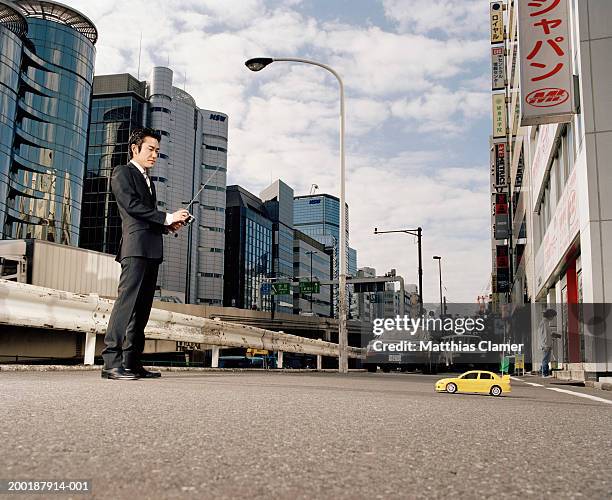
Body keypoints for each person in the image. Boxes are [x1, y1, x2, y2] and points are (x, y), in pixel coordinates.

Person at [101, 128, 191, 380]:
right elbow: (132, 207)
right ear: (135, 148)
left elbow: (146, 217)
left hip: (152, 249)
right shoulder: (123, 173)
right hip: (135, 249)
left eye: (157, 151)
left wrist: (167, 225)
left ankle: (131, 362)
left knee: (142, 309)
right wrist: (167, 216)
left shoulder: (148, 180)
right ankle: (111, 362)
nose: (154, 155)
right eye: (150, 149)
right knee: (126, 305)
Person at [538, 308, 557, 377]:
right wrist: (546, 345)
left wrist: (552, 335)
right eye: (553, 316)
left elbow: (546, 334)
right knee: (545, 359)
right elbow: (545, 335)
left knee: (546, 359)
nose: (553, 318)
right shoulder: (544, 323)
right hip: (545, 344)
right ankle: (545, 373)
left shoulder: (545, 323)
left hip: (546, 344)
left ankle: (542, 371)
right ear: (550, 316)